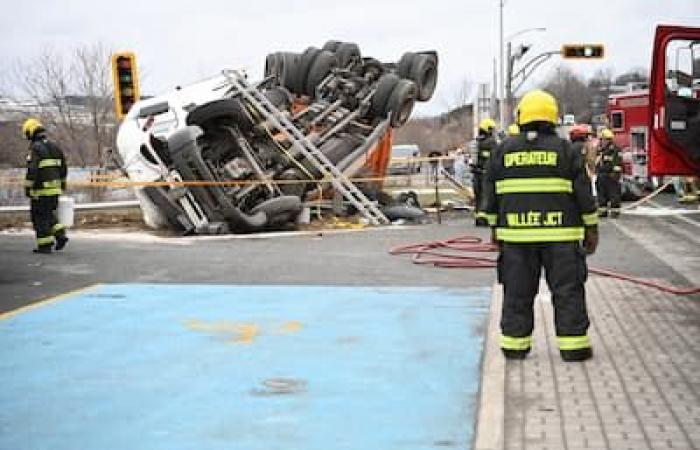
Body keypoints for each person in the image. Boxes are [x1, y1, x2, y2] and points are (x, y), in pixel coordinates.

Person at [482, 89, 598, 362]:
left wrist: (494, 229)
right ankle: (574, 348)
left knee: (517, 292)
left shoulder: (503, 150)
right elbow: (583, 194)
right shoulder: (566, 151)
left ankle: (514, 346)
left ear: (522, 116)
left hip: (515, 238)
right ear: (552, 117)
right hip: (561, 238)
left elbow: (490, 195)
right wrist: (591, 229)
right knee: (567, 291)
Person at [22, 118, 69, 254]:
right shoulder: (55, 147)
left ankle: (45, 245)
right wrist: (62, 183)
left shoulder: (35, 148)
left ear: (30, 132)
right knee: (48, 214)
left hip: (41, 191)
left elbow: (32, 170)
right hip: (55, 189)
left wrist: (27, 188)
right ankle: (60, 235)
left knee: (39, 217)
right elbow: (63, 168)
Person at [473, 118, 498, 226]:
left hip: (476, 173)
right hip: (486, 173)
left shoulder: (477, 142)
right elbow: (496, 156)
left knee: (478, 195)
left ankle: (478, 216)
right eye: (492, 130)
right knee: (486, 195)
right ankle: (483, 217)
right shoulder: (491, 142)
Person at [596, 128, 622, 218]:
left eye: (602, 139)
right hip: (601, 176)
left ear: (607, 140)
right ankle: (602, 212)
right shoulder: (600, 150)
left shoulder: (614, 150)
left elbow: (618, 163)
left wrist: (615, 175)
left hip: (611, 176)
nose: (601, 141)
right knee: (601, 196)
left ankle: (615, 212)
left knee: (613, 195)